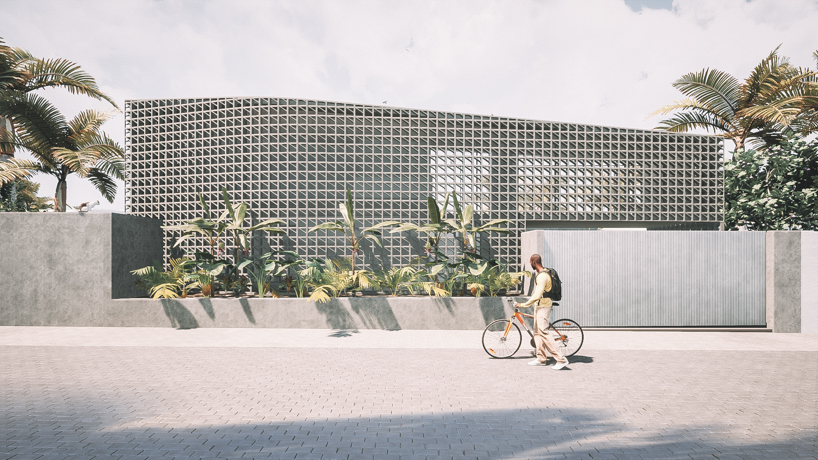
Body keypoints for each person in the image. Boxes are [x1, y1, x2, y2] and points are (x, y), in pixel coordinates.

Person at [516, 254, 569, 369]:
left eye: (531, 262)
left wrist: (524, 305)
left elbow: (537, 294)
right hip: (539, 306)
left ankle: (561, 359)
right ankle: (541, 358)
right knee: (537, 333)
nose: (530, 264)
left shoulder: (542, 276)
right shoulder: (542, 274)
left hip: (544, 307)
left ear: (534, 262)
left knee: (543, 332)